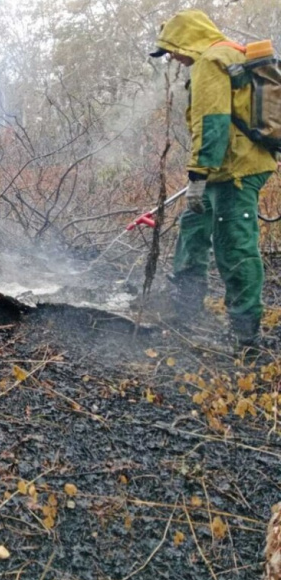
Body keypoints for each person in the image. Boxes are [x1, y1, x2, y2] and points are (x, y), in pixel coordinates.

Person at [150, 9, 277, 351]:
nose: (173, 58)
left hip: (235, 170)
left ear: (186, 40)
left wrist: (198, 175)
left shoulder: (210, 61)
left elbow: (213, 123)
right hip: (228, 166)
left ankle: (245, 336)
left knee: (233, 244)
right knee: (193, 227)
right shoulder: (229, 53)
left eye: (172, 50)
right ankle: (186, 307)